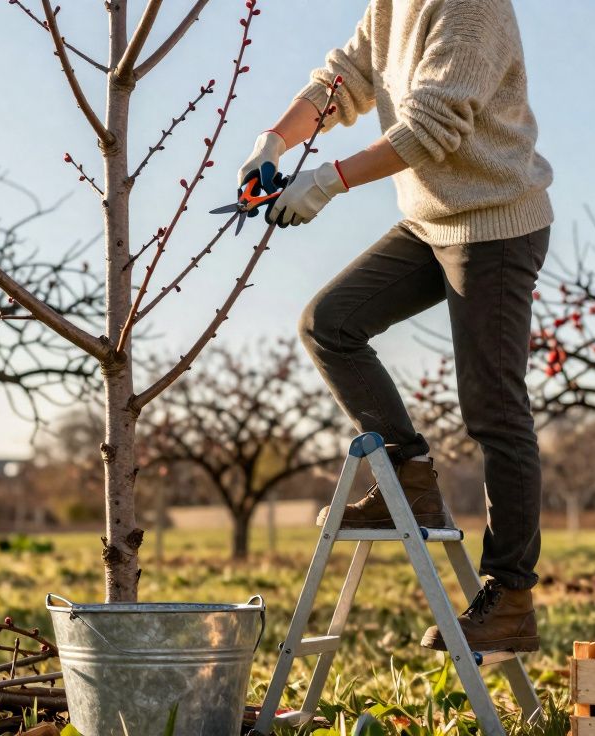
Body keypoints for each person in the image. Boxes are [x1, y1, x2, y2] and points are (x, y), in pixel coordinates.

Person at [237, 0, 552, 654]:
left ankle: (512, 598)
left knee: (493, 404)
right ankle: (408, 477)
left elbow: (432, 127)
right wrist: (273, 139)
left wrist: (331, 180)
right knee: (330, 324)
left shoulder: (471, 6)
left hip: (494, 221)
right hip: (429, 220)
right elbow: (343, 79)